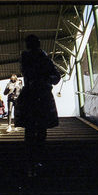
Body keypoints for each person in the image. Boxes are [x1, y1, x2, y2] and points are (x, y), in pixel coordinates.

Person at [15, 35, 61, 177]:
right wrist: (47, 80)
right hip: (43, 96)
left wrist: (42, 79)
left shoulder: (27, 57)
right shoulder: (44, 58)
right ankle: (37, 160)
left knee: (31, 129)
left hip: (32, 95)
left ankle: (31, 161)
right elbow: (56, 76)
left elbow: (28, 72)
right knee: (40, 129)